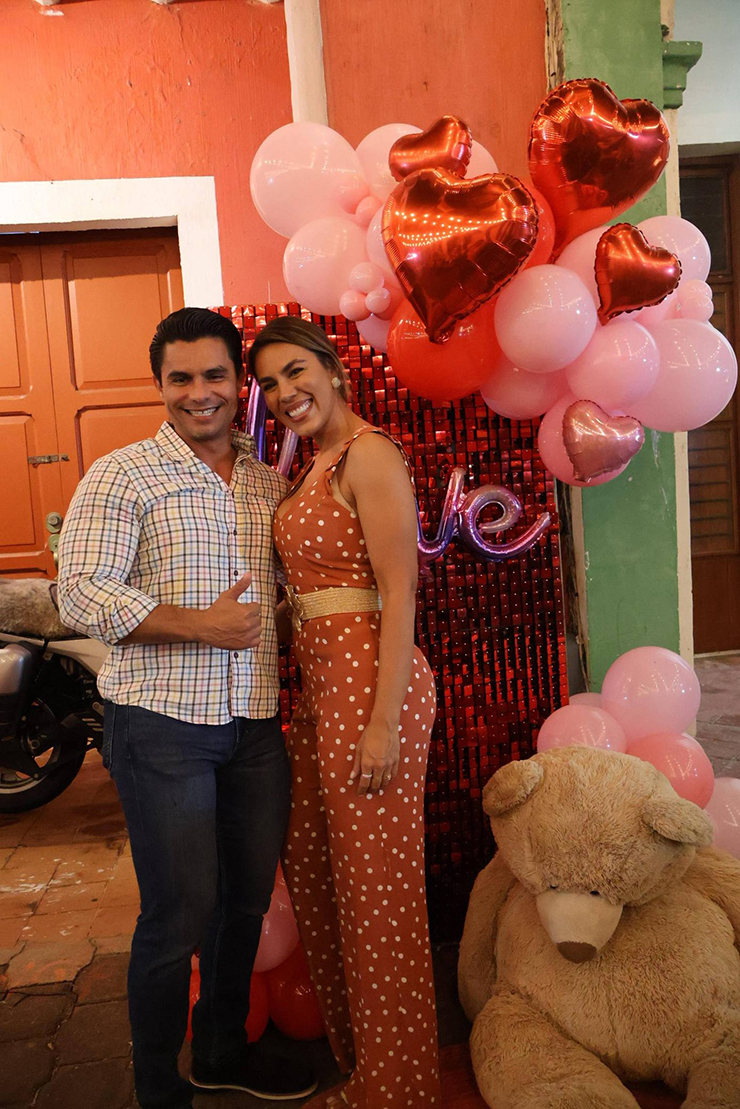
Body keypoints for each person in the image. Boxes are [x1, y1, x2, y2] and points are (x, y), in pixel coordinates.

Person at [57, 308, 316, 1109]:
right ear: (159, 384)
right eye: (180, 378)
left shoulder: (267, 482)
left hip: (254, 725)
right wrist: (202, 623)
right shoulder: (122, 474)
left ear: (239, 382)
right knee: (178, 913)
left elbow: (273, 604)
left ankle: (220, 1051)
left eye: (214, 375)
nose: (198, 393)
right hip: (161, 725)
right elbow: (80, 593)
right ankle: (158, 1088)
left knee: (244, 901)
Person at [249, 316, 441, 1109]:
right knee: (324, 874)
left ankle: (397, 1086)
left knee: (377, 889)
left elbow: (400, 591)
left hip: (372, 686)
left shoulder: (369, 453)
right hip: (322, 687)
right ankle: (361, 1055)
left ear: (331, 367)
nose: (284, 392)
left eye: (296, 371)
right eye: (269, 383)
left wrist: (383, 722)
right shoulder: (313, 463)